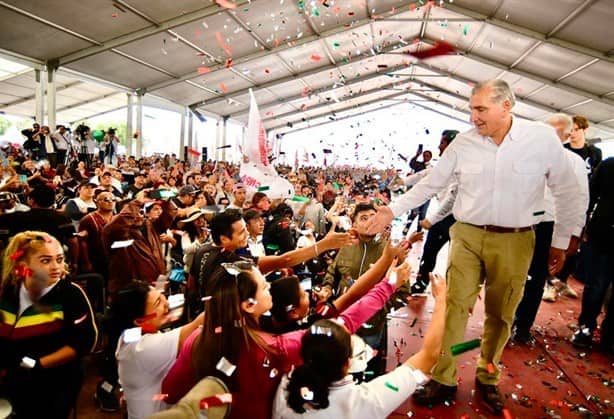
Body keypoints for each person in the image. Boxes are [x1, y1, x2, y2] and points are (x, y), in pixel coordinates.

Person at [364, 79, 584, 414]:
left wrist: (562, 239)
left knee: (501, 312)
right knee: (455, 304)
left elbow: (566, 189)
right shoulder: (463, 145)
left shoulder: (539, 139)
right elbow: (432, 183)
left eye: (480, 109)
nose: (473, 117)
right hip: (466, 234)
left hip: (517, 238)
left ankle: (488, 376)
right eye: (471, 109)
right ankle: (444, 377)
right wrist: (392, 210)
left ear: (506, 106)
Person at [161, 257, 410, 419]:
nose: (270, 287)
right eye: (265, 287)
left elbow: (170, 392)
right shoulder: (274, 348)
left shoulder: (195, 341)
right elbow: (346, 322)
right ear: (249, 305)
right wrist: (389, 284)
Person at [272, 273, 445, 419]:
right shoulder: (365, 403)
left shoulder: (285, 387)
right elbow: (429, 356)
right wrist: (442, 300)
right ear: (347, 364)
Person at [0, 231, 98, 418]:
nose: (56, 267)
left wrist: (37, 366)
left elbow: (85, 342)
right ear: (22, 264)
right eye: (45, 260)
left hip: (54, 383)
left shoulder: (71, 295)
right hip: (10, 381)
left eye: (60, 259)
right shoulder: (7, 290)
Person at [512, 114, 589, 343]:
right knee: (510, 274)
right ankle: (502, 322)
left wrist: (571, 237)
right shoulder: (523, 155)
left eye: (554, 132)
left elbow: (579, 200)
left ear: (565, 136)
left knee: (536, 278)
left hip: (547, 227)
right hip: (517, 223)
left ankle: (523, 326)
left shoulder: (573, 162)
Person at [112, 281, 204, 418]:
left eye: (162, 297)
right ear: (139, 321)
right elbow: (199, 325)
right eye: (158, 304)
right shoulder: (142, 349)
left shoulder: (128, 335)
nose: (166, 304)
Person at [569, 157, 614, 354]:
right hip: (603, 236)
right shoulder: (609, 165)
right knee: (596, 286)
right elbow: (589, 195)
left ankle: (610, 336)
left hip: (601, 233)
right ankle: (586, 328)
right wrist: (581, 226)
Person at [408, 130, 459, 294]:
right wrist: (404, 181)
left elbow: (453, 197)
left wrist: (432, 219)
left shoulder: (461, 166)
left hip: (458, 219)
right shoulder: (445, 165)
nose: (439, 146)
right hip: (446, 217)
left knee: (457, 258)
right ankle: (422, 282)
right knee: (430, 250)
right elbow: (425, 175)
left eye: (442, 142)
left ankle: (452, 292)